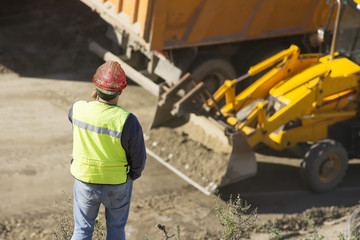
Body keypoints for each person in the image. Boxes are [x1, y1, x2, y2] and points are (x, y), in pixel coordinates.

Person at [68, 61, 146, 240]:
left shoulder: (78, 109)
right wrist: (133, 174)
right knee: (116, 231)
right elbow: (138, 157)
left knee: (82, 231)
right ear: (120, 91)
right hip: (117, 184)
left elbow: (73, 117)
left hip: (85, 180)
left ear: (95, 88)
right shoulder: (128, 120)